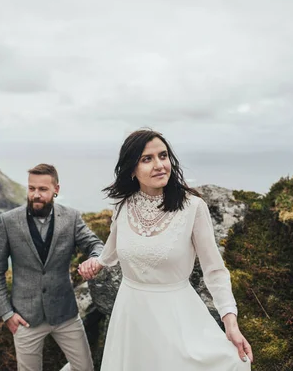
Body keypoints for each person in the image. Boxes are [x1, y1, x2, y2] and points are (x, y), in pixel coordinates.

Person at [77, 130, 253, 370]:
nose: (159, 165)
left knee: (233, 363)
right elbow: (113, 248)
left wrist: (230, 323)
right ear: (132, 169)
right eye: (147, 159)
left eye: (163, 155)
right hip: (131, 316)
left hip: (177, 317)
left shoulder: (193, 208)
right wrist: (97, 262)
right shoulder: (122, 206)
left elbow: (215, 271)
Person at [0, 164, 104, 371]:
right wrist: (7, 314)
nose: (35, 195)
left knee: (85, 368)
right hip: (25, 319)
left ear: (56, 190)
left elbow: (95, 244)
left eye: (42, 189)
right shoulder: (8, 221)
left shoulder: (72, 217)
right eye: (31, 188)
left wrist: (95, 259)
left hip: (65, 314)